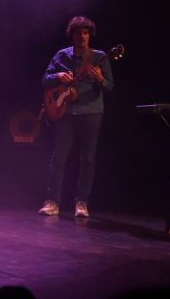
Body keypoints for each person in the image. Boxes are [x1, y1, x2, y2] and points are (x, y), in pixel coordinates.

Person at [38, 16, 114, 218]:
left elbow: (110, 86)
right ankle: (52, 201)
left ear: (90, 35)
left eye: (86, 32)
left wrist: (99, 79)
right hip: (66, 112)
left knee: (87, 159)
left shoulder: (99, 57)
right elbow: (45, 80)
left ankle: (82, 202)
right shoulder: (62, 55)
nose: (82, 36)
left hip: (91, 112)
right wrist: (58, 77)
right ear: (72, 34)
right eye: (78, 32)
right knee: (59, 157)